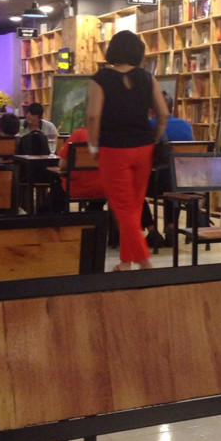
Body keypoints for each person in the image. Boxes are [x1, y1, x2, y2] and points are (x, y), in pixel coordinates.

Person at [87, 30, 169, 270]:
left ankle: (144, 261)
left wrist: (93, 145)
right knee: (134, 206)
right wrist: (154, 138)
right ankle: (125, 261)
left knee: (122, 207)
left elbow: (93, 116)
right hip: (143, 148)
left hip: (114, 149)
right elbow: (163, 114)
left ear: (113, 50)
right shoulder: (147, 78)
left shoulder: (100, 79)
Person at [142, 91, 194, 247]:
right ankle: (171, 227)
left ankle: (152, 231)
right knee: (173, 184)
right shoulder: (185, 125)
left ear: (151, 110)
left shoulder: (148, 126)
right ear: (172, 109)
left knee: (132, 190)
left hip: (155, 183)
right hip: (183, 182)